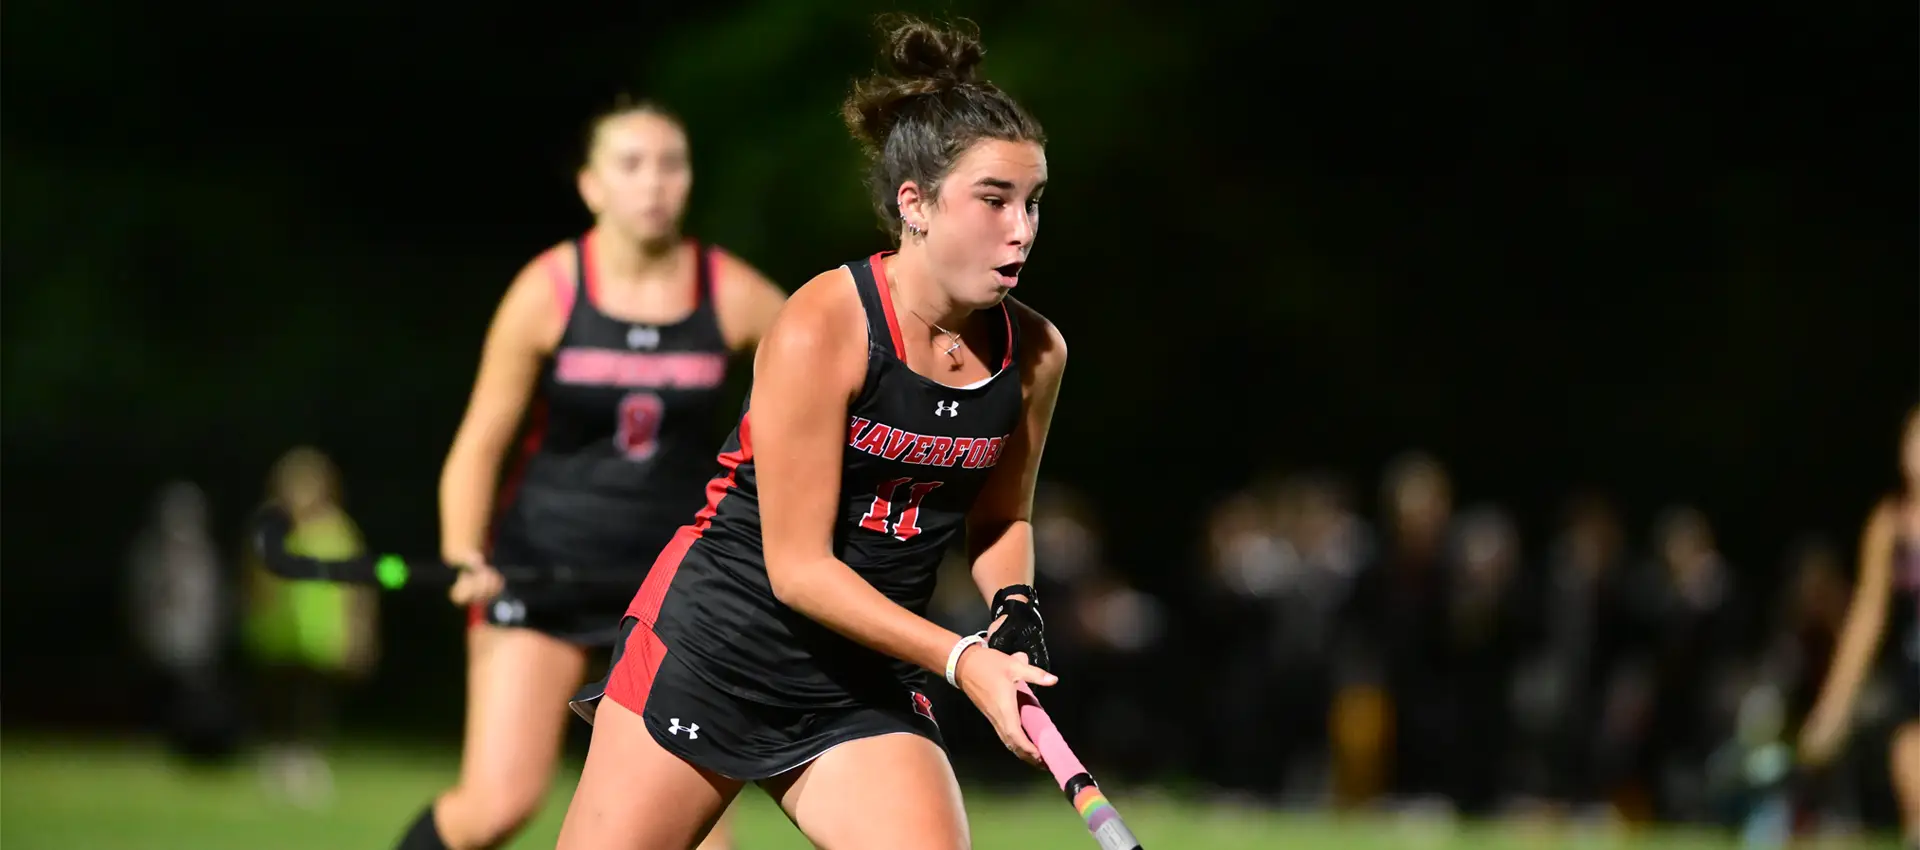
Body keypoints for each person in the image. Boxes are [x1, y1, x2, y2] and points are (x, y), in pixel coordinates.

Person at [555, 15, 1066, 849]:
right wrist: (964, 657)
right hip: (717, 645)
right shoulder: (822, 326)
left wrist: (1013, 603)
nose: (1021, 230)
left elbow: (1001, 516)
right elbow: (797, 570)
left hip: (865, 675)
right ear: (916, 205)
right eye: (994, 199)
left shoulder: (1035, 354)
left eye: (1033, 203)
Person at [394, 99, 788, 850]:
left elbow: (823, 395)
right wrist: (461, 551)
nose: (654, 184)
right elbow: (479, 444)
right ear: (591, 186)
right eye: (631, 165)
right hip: (540, 573)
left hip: (673, 591)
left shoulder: (733, 294)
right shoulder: (547, 291)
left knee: (702, 840)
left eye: (671, 163)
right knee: (497, 805)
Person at [1800, 404, 1920, 847]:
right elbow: (1867, 617)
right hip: (1915, 671)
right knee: (1910, 768)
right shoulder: (1890, 525)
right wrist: (1833, 708)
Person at [243, 446, 379, 806]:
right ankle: (277, 761)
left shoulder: (338, 530)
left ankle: (307, 764)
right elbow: (254, 576)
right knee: (278, 700)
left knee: (312, 705)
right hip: (278, 634)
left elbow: (357, 584)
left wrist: (359, 630)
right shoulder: (272, 525)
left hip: (322, 636)